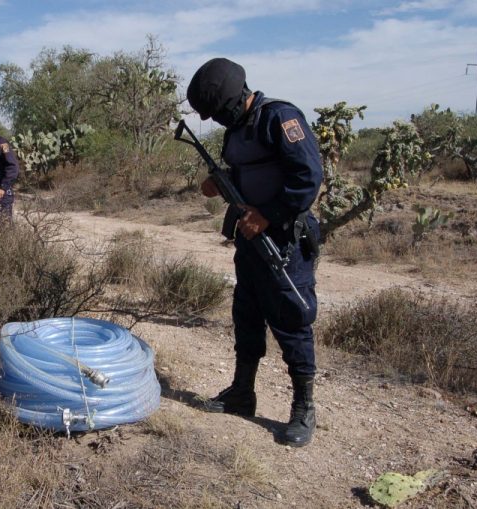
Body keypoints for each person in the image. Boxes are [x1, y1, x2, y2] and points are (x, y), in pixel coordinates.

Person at [186, 58, 323, 447]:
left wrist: (268, 215)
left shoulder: (279, 118)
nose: (214, 121)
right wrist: (219, 183)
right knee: (246, 312)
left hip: (285, 240)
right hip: (250, 239)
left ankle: (304, 407)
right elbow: (243, 174)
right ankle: (242, 393)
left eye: (216, 112)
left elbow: (308, 177)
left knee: (292, 317)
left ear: (232, 100)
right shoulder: (237, 131)